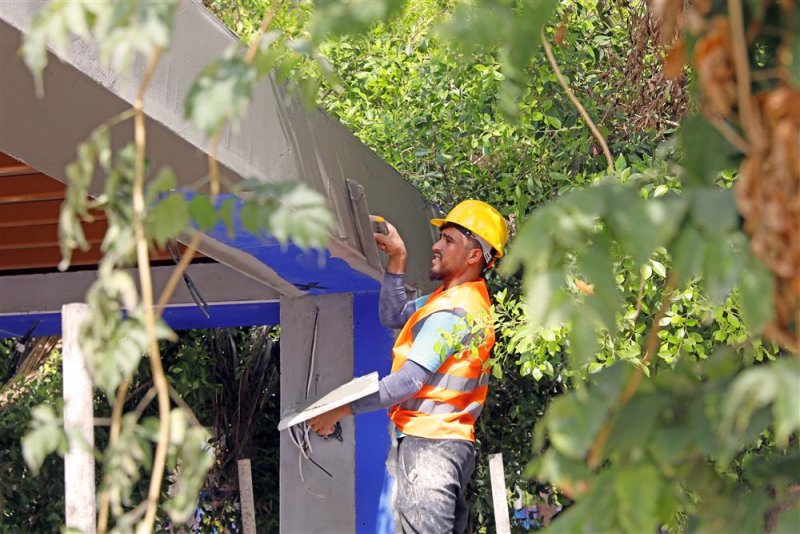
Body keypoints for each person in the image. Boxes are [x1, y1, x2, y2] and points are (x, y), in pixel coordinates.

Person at [308, 199, 508, 534]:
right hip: (446, 445)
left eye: (448, 240)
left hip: (431, 446)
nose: (436, 245)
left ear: (474, 256)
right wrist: (397, 259)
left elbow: (408, 382)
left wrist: (339, 409)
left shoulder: (454, 312)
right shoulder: (453, 301)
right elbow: (394, 315)